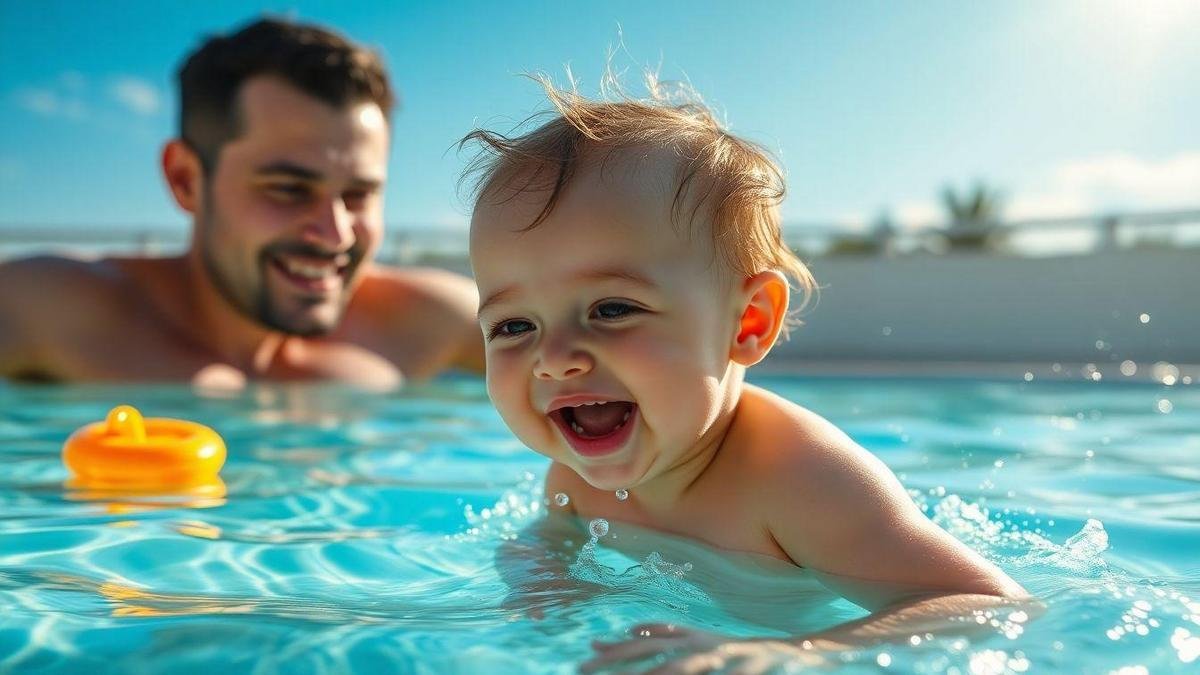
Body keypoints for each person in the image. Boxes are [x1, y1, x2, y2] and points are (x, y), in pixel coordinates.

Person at [463, 76, 1030, 673]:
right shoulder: (574, 475)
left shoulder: (801, 482)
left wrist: (790, 654)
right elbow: (550, 543)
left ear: (748, 322)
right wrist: (540, 581)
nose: (554, 358)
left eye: (612, 310)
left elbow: (986, 603)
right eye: (513, 326)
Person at [0, 18, 482, 389]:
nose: (336, 232)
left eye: (358, 195)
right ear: (185, 179)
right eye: (288, 189)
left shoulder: (430, 325)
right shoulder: (54, 312)